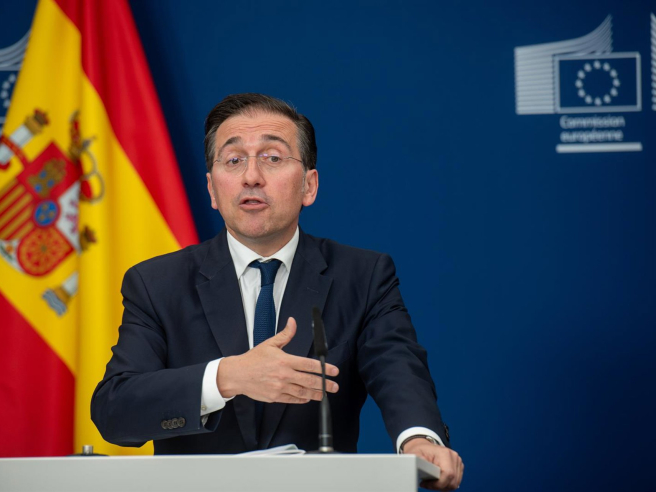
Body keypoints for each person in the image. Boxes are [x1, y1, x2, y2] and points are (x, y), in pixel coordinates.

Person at [91, 93, 464, 490]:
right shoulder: (157, 283)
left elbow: (397, 370)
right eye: (234, 160)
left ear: (309, 185)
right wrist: (226, 377)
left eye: (272, 157)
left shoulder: (363, 276)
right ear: (212, 190)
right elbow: (115, 410)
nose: (251, 176)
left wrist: (419, 439)